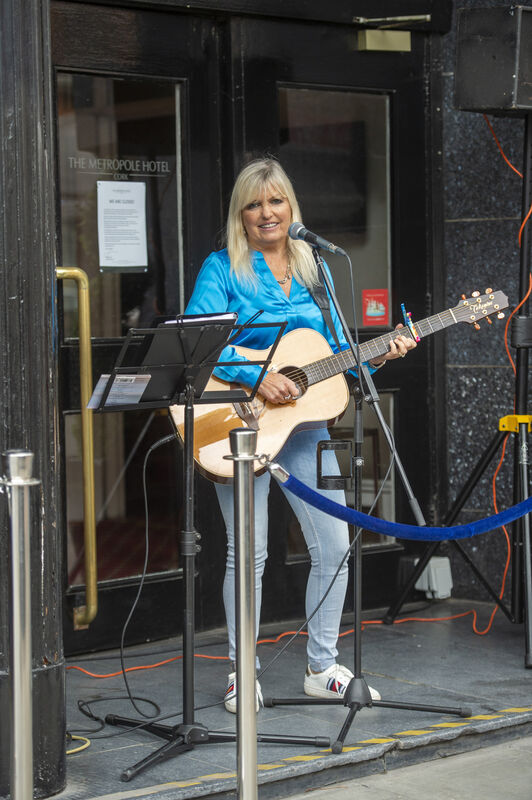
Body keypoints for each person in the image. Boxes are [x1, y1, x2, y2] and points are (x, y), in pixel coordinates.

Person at [185, 158, 416, 712]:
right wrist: (258, 375)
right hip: (237, 422)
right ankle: (243, 673)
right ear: (241, 215)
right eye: (254, 204)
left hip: (308, 426)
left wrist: (383, 352)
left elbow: (341, 360)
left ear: (292, 208)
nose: (267, 213)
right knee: (251, 552)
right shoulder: (222, 269)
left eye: (276, 201)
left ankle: (323, 666)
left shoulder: (318, 270)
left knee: (336, 544)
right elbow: (197, 343)